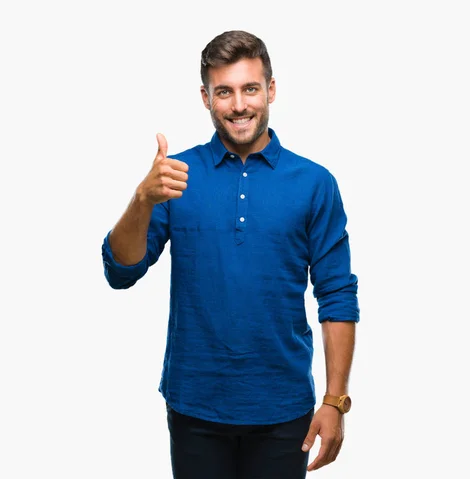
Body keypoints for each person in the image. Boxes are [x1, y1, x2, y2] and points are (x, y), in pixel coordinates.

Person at [101, 30, 359, 479]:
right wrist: (142, 200)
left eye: (250, 89)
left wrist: (335, 401)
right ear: (206, 98)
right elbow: (120, 272)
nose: (239, 105)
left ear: (271, 90)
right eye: (225, 92)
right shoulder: (176, 176)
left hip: (284, 408)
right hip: (195, 404)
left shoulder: (314, 183)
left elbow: (337, 294)